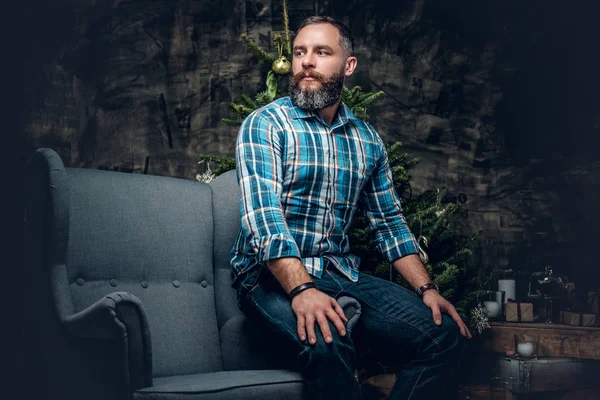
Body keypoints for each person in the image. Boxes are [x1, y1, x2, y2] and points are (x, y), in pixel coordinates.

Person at [230, 15, 471, 400]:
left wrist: (427, 288)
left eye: (322, 52)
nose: (306, 61)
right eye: (299, 52)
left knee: (443, 336)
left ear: (348, 65)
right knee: (328, 337)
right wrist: (302, 290)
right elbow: (265, 218)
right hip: (266, 276)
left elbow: (389, 222)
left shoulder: (366, 140)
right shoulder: (266, 124)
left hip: (338, 270)